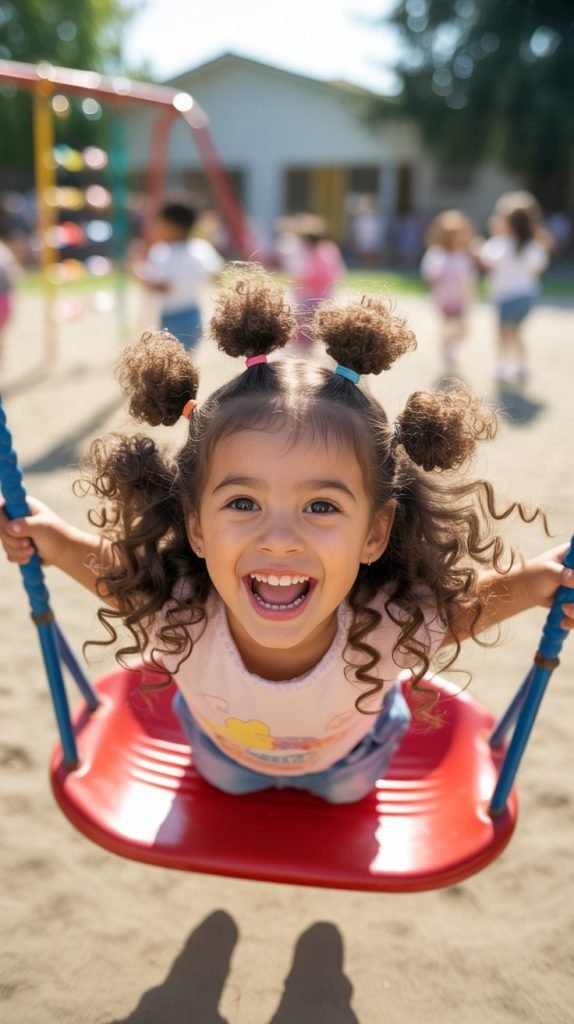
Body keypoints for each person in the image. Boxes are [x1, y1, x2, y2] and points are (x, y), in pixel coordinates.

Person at [2, 268, 573, 805]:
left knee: (346, 792)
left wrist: (542, 582)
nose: (279, 539)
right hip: (223, 750)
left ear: (375, 534)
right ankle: (238, 769)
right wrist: (49, 539)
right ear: (197, 526)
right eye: (243, 502)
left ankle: (336, 769)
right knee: (224, 780)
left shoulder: (385, 626)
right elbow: (116, 580)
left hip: (348, 760)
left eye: (321, 506)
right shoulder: (180, 613)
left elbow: (461, 614)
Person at [129, 198, 224, 350]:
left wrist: (138, 275)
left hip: (171, 319)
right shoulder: (200, 248)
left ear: (171, 226)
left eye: (159, 224)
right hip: (194, 316)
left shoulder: (162, 252)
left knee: (171, 362)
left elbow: (162, 288)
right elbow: (217, 277)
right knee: (184, 360)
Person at [474, 192, 550, 382]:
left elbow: (485, 262)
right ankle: (522, 364)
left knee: (503, 333)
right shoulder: (534, 245)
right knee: (515, 332)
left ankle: (502, 365)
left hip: (506, 297)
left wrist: (477, 247)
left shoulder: (499, 244)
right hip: (527, 296)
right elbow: (539, 268)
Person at [420, 210, 476, 372]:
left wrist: (471, 294)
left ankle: (451, 347)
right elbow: (429, 276)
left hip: (460, 299)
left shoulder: (464, 255)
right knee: (446, 328)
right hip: (443, 299)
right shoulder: (436, 254)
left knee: (462, 330)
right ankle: (447, 353)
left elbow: (470, 277)